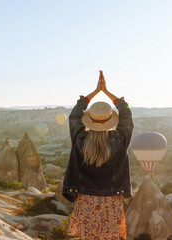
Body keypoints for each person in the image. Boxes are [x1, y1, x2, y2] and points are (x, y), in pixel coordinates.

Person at [62, 70, 134, 240]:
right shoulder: (120, 140)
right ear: (110, 121)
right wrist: (109, 94)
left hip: (86, 201)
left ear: (90, 120)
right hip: (111, 201)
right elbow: (127, 114)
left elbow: (74, 116)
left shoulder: (80, 140)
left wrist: (92, 94)